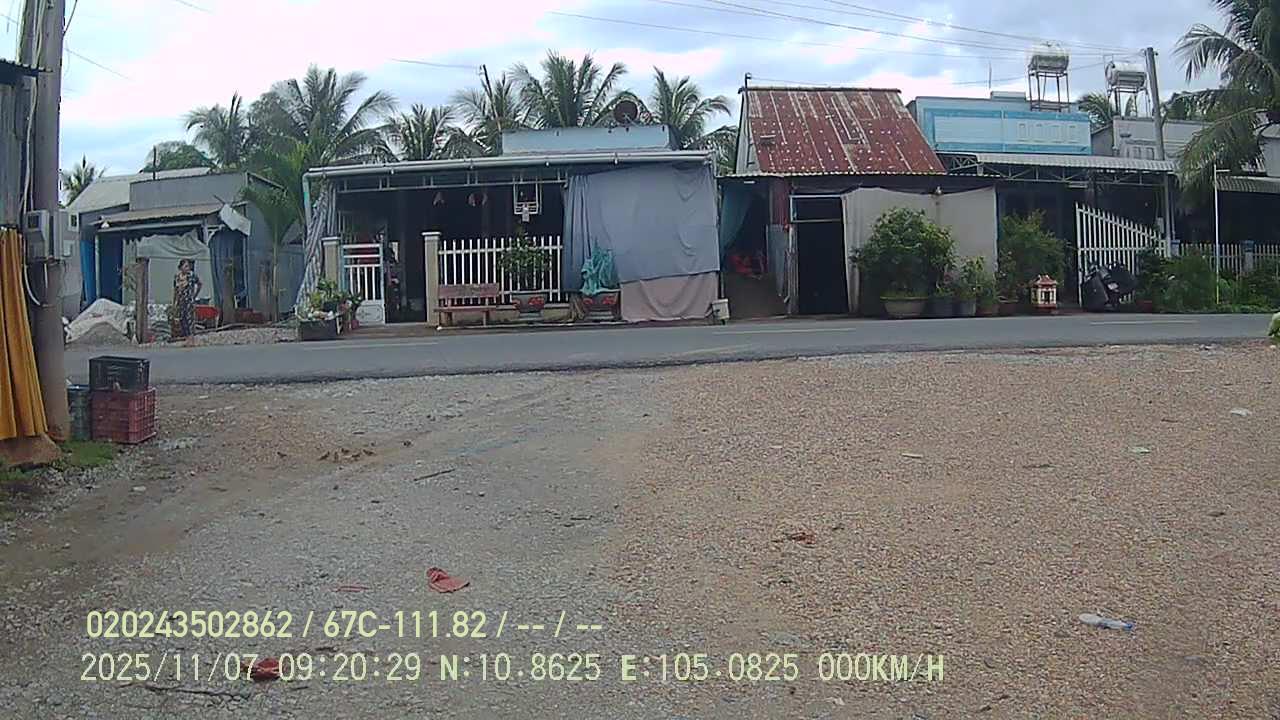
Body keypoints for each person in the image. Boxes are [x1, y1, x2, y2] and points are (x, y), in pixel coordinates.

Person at [173, 259, 202, 338]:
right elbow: (175, 290)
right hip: (180, 302)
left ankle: (191, 337)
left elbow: (199, 284)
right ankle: (185, 336)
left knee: (190, 320)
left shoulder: (192, 275)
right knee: (182, 320)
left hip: (189, 302)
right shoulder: (177, 277)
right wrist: (175, 303)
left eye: (188, 266)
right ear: (180, 267)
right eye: (185, 266)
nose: (187, 268)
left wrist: (195, 295)